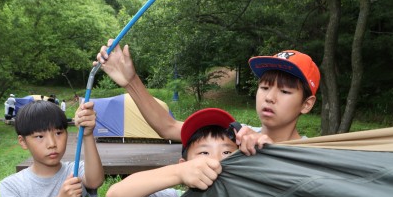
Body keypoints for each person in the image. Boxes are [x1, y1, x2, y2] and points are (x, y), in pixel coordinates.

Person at [95, 41, 320, 155]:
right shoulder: (237, 138)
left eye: (285, 91)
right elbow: (168, 126)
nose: (270, 98)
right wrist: (131, 82)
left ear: (307, 104)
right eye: (264, 87)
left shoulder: (318, 155)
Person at [106, 108, 238, 197]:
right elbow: (116, 196)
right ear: (184, 164)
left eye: (226, 152)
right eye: (204, 153)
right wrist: (178, 173)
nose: (215, 161)